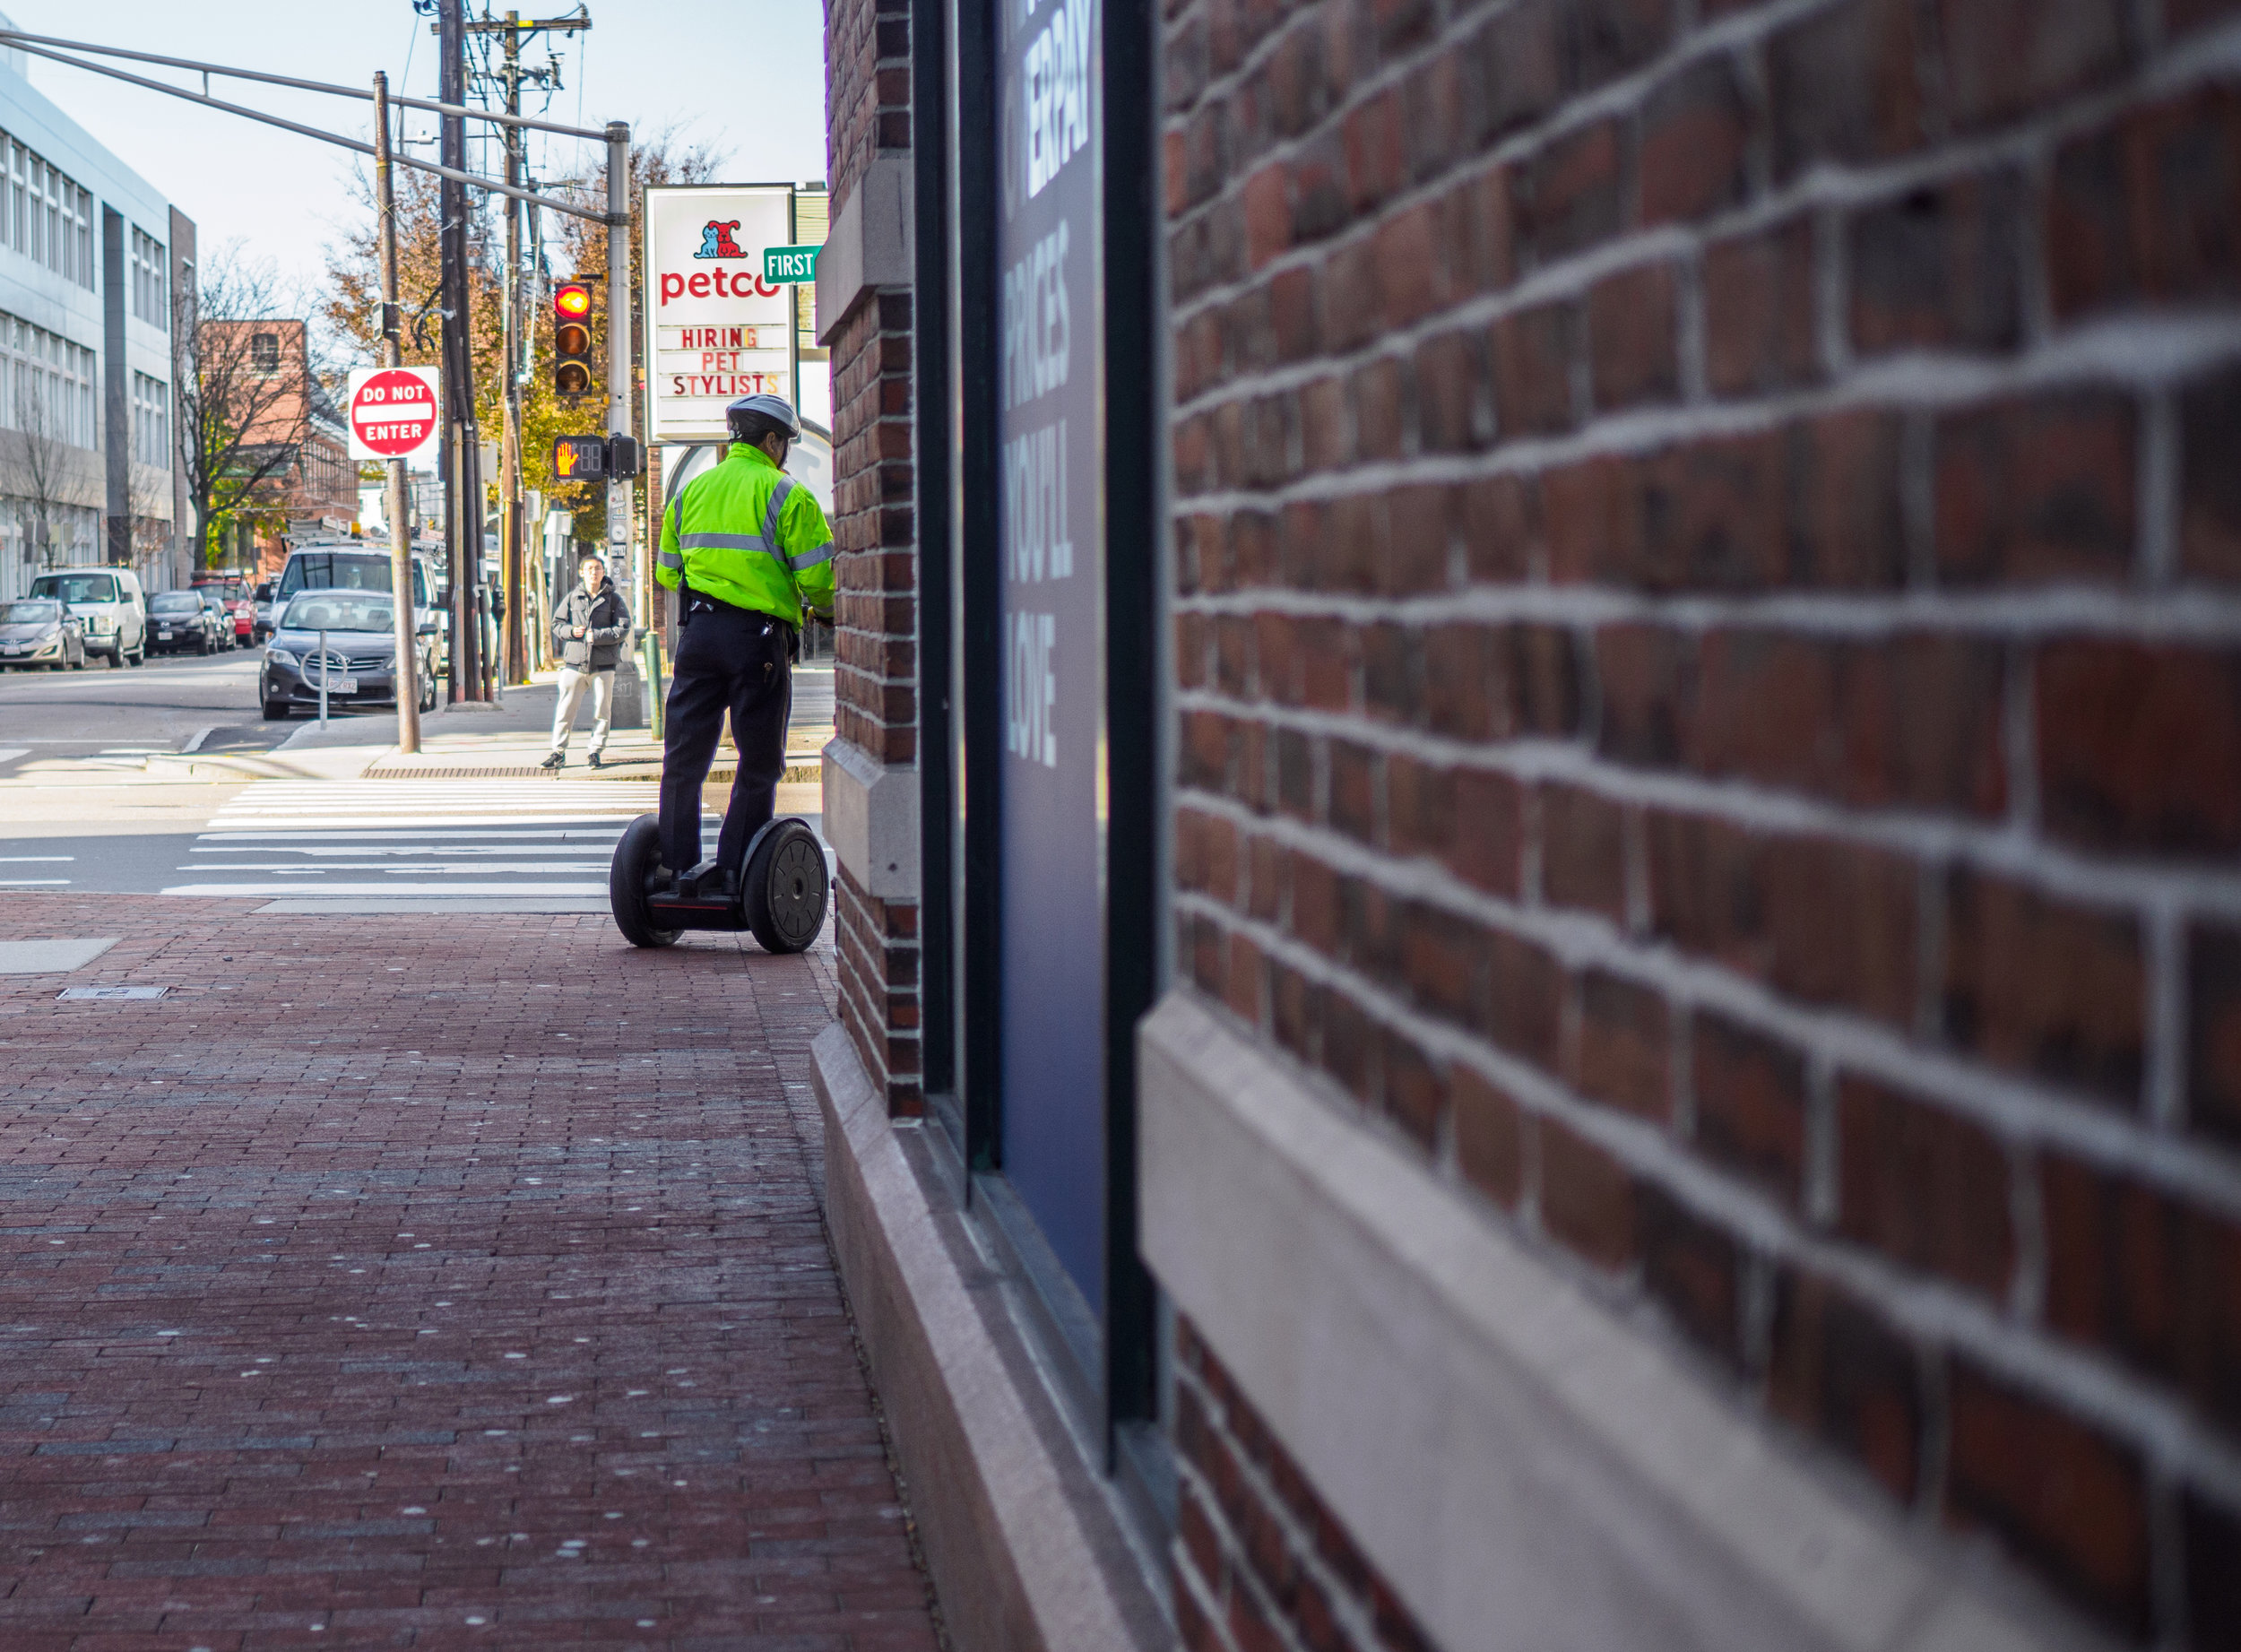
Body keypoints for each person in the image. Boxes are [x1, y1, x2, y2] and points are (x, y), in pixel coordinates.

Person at [653, 393, 834, 893]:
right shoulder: (787, 494)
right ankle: (736, 872)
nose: (786, 453)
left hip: (700, 636)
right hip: (758, 643)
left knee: (684, 759)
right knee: (758, 762)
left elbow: (669, 572)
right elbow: (819, 577)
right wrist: (827, 610)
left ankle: (674, 868)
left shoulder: (690, 493)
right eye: (786, 444)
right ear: (772, 441)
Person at [542, 552, 630, 770]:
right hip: (574, 665)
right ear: (582, 572)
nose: (594, 572)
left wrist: (597, 636)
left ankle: (595, 751)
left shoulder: (613, 599)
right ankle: (558, 752)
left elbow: (623, 628)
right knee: (565, 711)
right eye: (589, 569)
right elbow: (557, 624)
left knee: (603, 711)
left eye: (597, 569)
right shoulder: (573, 597)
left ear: (603, 572)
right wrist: (572, 631)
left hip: (603, 666)